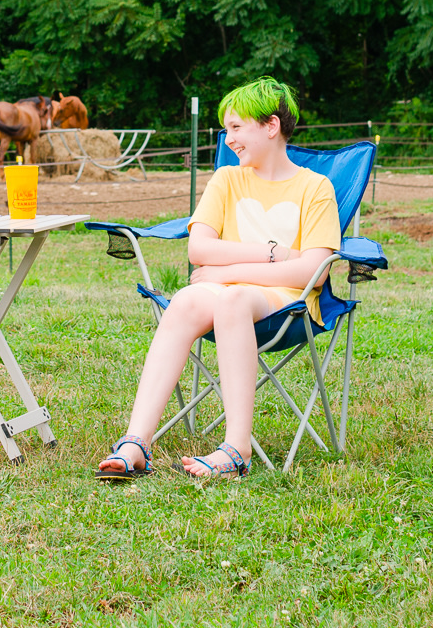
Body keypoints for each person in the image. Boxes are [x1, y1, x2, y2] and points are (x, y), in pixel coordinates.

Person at [95, 77, 340, 481]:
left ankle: (236, 450)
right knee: (186, 300)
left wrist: (225, 272)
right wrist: (272, 252)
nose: (229, 140)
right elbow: (199, 251)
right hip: (224, 293)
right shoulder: (227, 180)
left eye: (237, 128)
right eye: (227, 129)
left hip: (286, 304)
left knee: (231, 298)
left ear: (271, 126)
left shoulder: (315, 188)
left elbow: (310, 271)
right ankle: (136, 442)